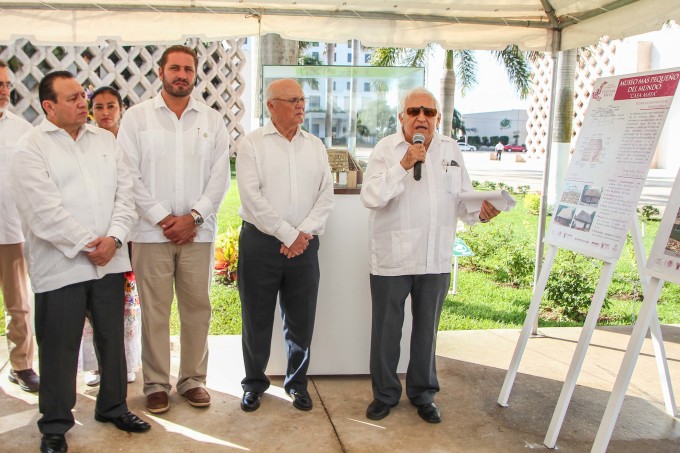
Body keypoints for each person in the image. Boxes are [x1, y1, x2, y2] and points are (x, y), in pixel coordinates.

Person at [11, 71, 150, 453]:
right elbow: (43, 212)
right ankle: (55, 423)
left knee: (112, 339)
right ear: (49, 106)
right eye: (72, 98)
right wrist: (91, 244)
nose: (82, 103)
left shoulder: (105, 141)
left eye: (82, 96)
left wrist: (115, 239)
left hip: (110, 260)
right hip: (61, 267)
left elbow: (127, 194)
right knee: (59, 347)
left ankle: (113, 406)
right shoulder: (31, 148)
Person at [360, 87, 500, 424]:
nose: (421, 117)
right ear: (402, 118)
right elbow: (371, 196)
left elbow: (462, 198)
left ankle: (423, 394)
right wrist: (405, 164)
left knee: (427, 331)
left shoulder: (451, 149)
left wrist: (480, 212)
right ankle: (385, 394)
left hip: (434, 257)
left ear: (438, 118)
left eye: (429, 112)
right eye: (414, 111)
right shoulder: (386, 149)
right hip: (392, 257)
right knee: (386, 332)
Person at [118, 45, 231, 414]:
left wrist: (193, 218)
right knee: (155, 310)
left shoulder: (212, 121)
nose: (181, 74)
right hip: (151, 234)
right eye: (175, 68)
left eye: (187, 69)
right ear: (161, 72)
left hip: (199, 234)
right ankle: (155, 383)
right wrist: (162, 218)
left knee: (198, 308)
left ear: (195, 75)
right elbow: (128, 175)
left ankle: (193, 380)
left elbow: (219, 178)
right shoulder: (136, 119)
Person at [236, 78, 334, 412]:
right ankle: (254, 384)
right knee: (256, 318)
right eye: (292, 100)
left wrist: (301, 234)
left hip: (304, 248)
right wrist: (287, 234)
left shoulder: (315, 146)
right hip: (260, 245)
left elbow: (325, 196)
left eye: (302, 99)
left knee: (301, 319)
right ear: (271, 106)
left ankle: (297, 384)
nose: (300, 105)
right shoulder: (252, 144)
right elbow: (251, 196)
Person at [79, 86, 141, 387]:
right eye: (99, 107)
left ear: (121, 108)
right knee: (91, 300)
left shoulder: (129, 142)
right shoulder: (85, 141)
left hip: (126, 231)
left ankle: (125, 360)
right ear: (91, 110)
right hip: (93, 232)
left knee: (124, 301)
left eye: (111, 106)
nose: (105, 112)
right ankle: (95, 364)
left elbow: (132, 188)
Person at [0, 59, 39, 394]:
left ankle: (22, 365)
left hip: (10, 231)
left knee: (20, 304)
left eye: (6, 84)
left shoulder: (21, 130)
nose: (3, 90)